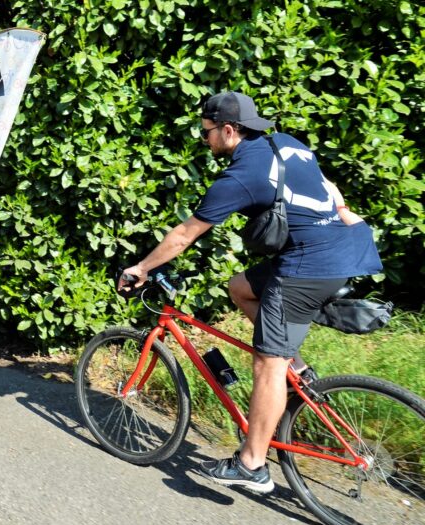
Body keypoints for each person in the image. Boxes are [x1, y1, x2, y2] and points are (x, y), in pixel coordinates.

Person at [119, 91, 382, 493]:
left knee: (266, 363)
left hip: (308, 266)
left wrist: (140, 268)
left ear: (228, 129)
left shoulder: (241, 176)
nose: (203, 139)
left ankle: (252, 465)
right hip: (346, 246)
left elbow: (185, 234)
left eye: (206, 132)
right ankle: (297, 367)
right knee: (240, 287)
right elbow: (330, 188)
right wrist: (342, 217)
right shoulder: (287, 143)